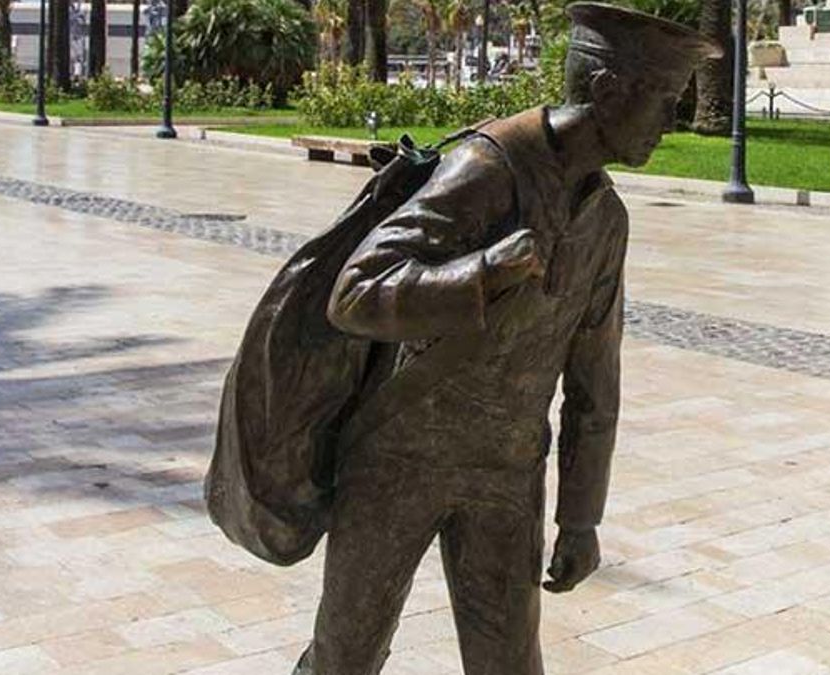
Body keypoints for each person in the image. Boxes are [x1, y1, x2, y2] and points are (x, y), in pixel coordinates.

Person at [294, 4, 721, 674]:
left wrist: (581, 518)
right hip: (399, 458)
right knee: (345, 655)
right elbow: (355, 293)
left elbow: (593, 382)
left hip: (507, 476)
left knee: (510, 664)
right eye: (665, 102)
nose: (671, 124)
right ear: (608, 92)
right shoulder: (487, 169)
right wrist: (482, 273)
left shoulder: (606, 219)